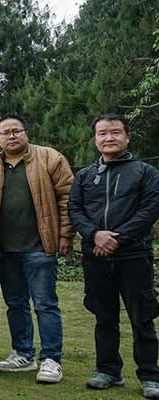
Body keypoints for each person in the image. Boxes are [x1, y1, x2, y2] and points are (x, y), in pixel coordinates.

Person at [69, 114, 159, 399]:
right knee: (103, 316)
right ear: (95, 139)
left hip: (133, 255)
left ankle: (150, 375)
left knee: (142, 317)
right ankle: (108, 370)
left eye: (115, 132)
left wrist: (116, 239)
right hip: (95, 257)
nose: (109, 138)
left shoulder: (145, 172)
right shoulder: (84, 175)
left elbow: (150, 210)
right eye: (103, 133)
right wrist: (94, 234)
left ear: (127, 136)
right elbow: (75, 210)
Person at [0, 113, 72, 383]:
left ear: (26, 133)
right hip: (5, 249)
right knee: (16, 304)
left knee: (45, 304)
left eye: (16, 131)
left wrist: (66, 234)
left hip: (39, 247)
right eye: (5, 132)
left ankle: (51, 359)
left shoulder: (49, 158)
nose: (11, 136)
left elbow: (68, 197)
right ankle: (23, 353)